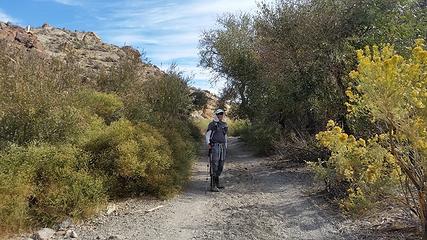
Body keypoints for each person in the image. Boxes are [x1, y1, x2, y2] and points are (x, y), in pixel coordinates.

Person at [205, 108, 228, 192]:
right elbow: (207, 135)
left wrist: (226, 146)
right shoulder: (212, 124)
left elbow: (225, 136)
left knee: (221, 165)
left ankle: (217, 183)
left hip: (222, 146)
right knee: (214, 164)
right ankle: (213, 185)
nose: (220, 115)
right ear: (216, 115)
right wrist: (208, 144)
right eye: (219, 114)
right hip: (215, 146)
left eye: (222, 114)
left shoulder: (224, 124)